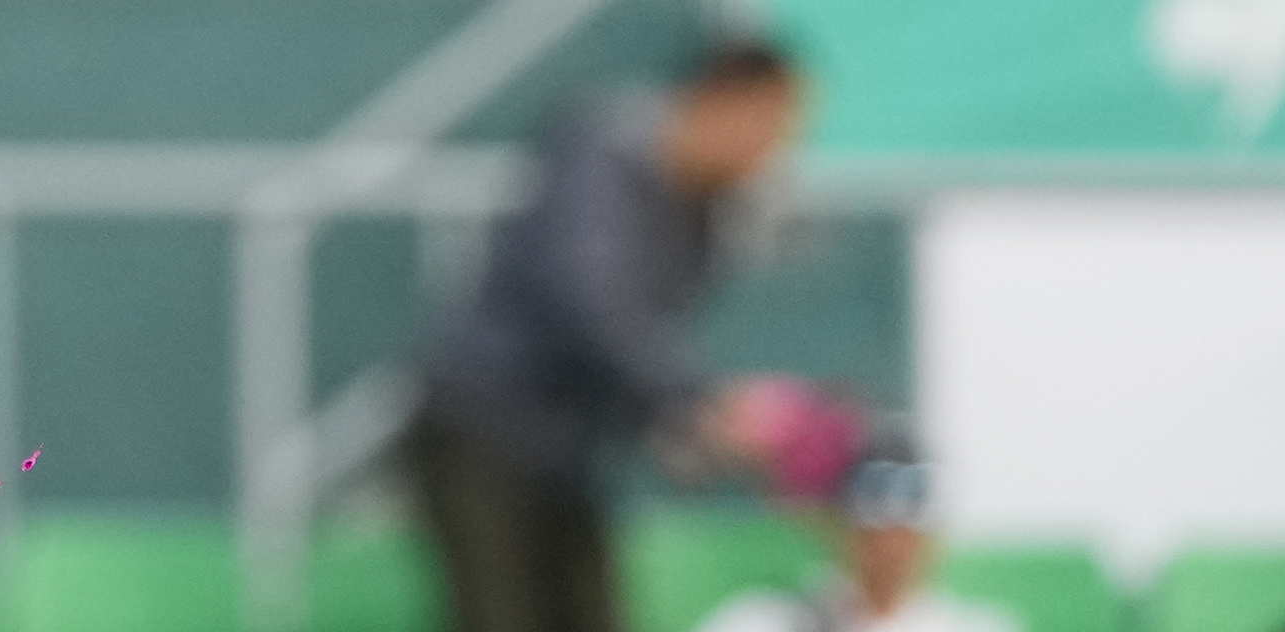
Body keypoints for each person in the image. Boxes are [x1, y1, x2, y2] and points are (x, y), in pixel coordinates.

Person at [402, 35, 818, 632]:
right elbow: (587, 297)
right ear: (726, 102)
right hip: (479, 435)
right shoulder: (604, 145)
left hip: (567, 458)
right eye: (776, 125)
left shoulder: (704, 221)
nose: (777, 151)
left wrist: (690, 432)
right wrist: (700, 401)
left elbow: (632, 352)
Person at [693, 436, 1009, 632]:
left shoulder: (973, 627)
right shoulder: (765, 621)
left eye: (906, 531)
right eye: (875, 531)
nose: (890, 549)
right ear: (838, 528)